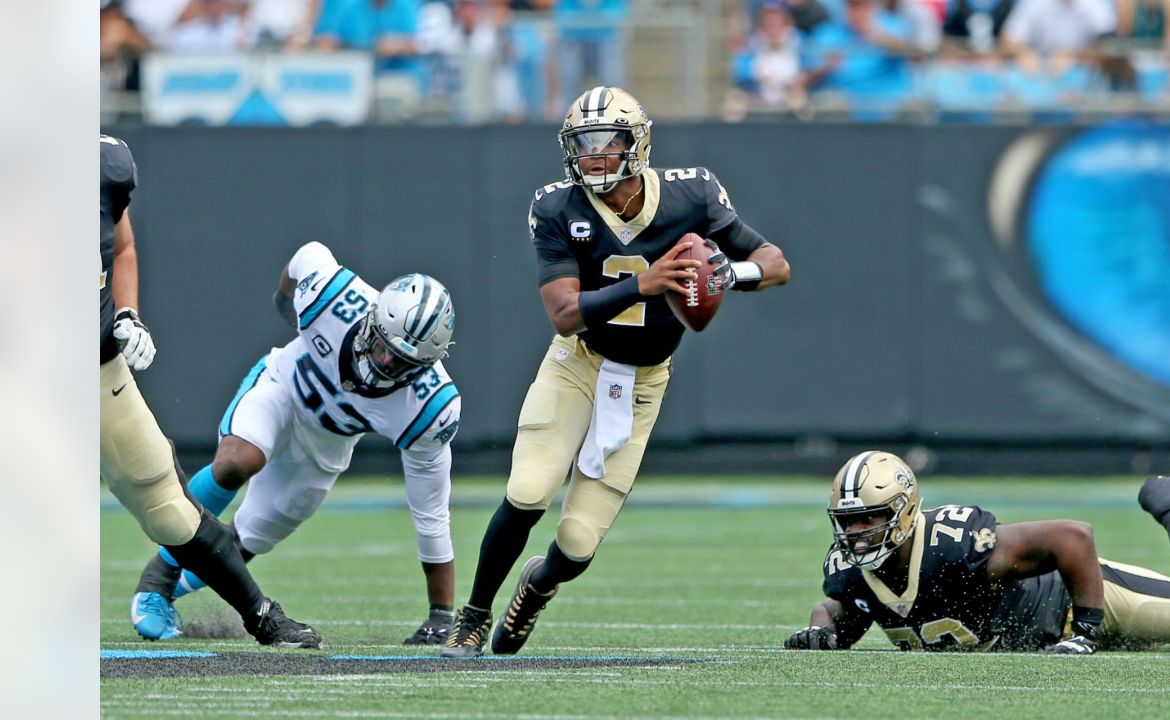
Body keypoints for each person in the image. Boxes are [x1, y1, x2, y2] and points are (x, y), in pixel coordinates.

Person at [441, 85, 791, 658]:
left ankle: (537, 587)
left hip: (644, 382)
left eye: (606, 144)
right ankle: (473, 618)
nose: (592, 157)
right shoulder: (557, 206)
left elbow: (776, 263)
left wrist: (733, 274)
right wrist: (643, 284)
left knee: (577, 542)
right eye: (582, 145)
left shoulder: (692, 195)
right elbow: (563, 315)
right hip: (577, 365)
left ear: (637, 144)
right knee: (528, 490)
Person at [129, 241, 462, 646]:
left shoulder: (429, 404)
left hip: (325, 448)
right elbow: (307, 254)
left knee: (250, 536)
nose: (386, 365)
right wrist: (286, 301)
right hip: (281, 389)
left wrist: (441, 614)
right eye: (383, 348)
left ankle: (170, 591)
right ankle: (158, 579)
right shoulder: (333, 297)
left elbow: (431, 514)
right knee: (238, 460)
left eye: (403, 362)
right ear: (372, 320)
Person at [100, 134, 321, 649]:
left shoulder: (104, 165)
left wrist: (127, 312)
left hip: (96, 371)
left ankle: (262, 616)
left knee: (169, 508)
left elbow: (122, 243)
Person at [784, 451, 1170, 653]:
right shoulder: (850, 573)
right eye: (847, 521)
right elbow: (842, 609)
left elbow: (1072, 538)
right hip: (1048, 640)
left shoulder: (951, 543)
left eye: (869, 519)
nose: (857, 534)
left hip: (1079, 601)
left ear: (903, 510)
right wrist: (822, 631)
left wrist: (1085, 632)